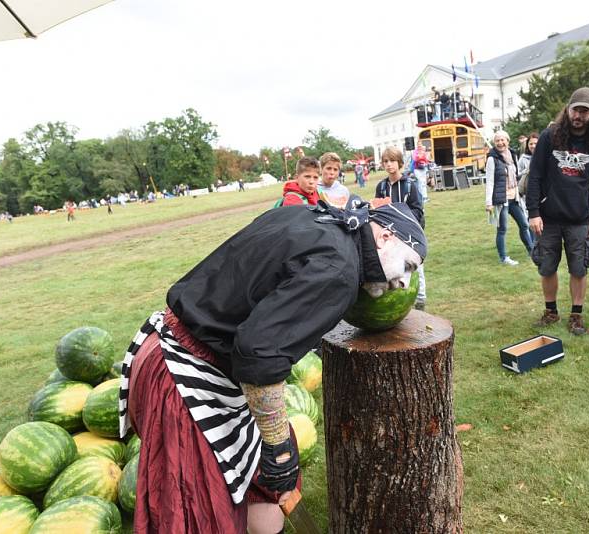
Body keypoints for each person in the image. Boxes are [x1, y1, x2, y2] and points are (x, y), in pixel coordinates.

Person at [118, 198, 426, 534]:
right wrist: (276, 445)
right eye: (408, 266)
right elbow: (259, 355)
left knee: (266, 479)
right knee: (197, 513)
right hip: (184, 378)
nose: (404, 283)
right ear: (384, 238)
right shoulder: (340, 271)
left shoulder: (315, 218)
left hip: (175, 350)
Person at [526, 87, 589, 335]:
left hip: (579, 219)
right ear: (568, 109)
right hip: (548, 217)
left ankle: (577, 315)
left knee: (579, 268)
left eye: (585, 111)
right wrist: (533, 212)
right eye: (576, 109)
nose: (579, 115)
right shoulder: (549, 136)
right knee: (547, 266)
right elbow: (536, 175)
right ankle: (551, 311)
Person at [374, 146, 427, 309]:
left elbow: (418, 210)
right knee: (392, 265)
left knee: (416, 266)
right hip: (389, 236)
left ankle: (420, 299)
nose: (389, 164)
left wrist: (405, 223)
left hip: (408, 234)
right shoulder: (381, 187)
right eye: (385, 161)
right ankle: (398, 300)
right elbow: (377, 211)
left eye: (392, 161)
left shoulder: (410, 185)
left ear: (400, 163)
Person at [485, 130, 534, 265]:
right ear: (495, 143)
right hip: (501, 200)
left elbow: (517, 176)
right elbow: (489, 181)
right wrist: (489, 202)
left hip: (514, 197)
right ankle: (503, 258)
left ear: (508, 141)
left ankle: (532, 251)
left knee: (524, 224)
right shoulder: (491, 159)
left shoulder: (512, 155)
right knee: (502, 229)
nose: (500, 143)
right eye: (497, 141)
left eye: (503, 140)